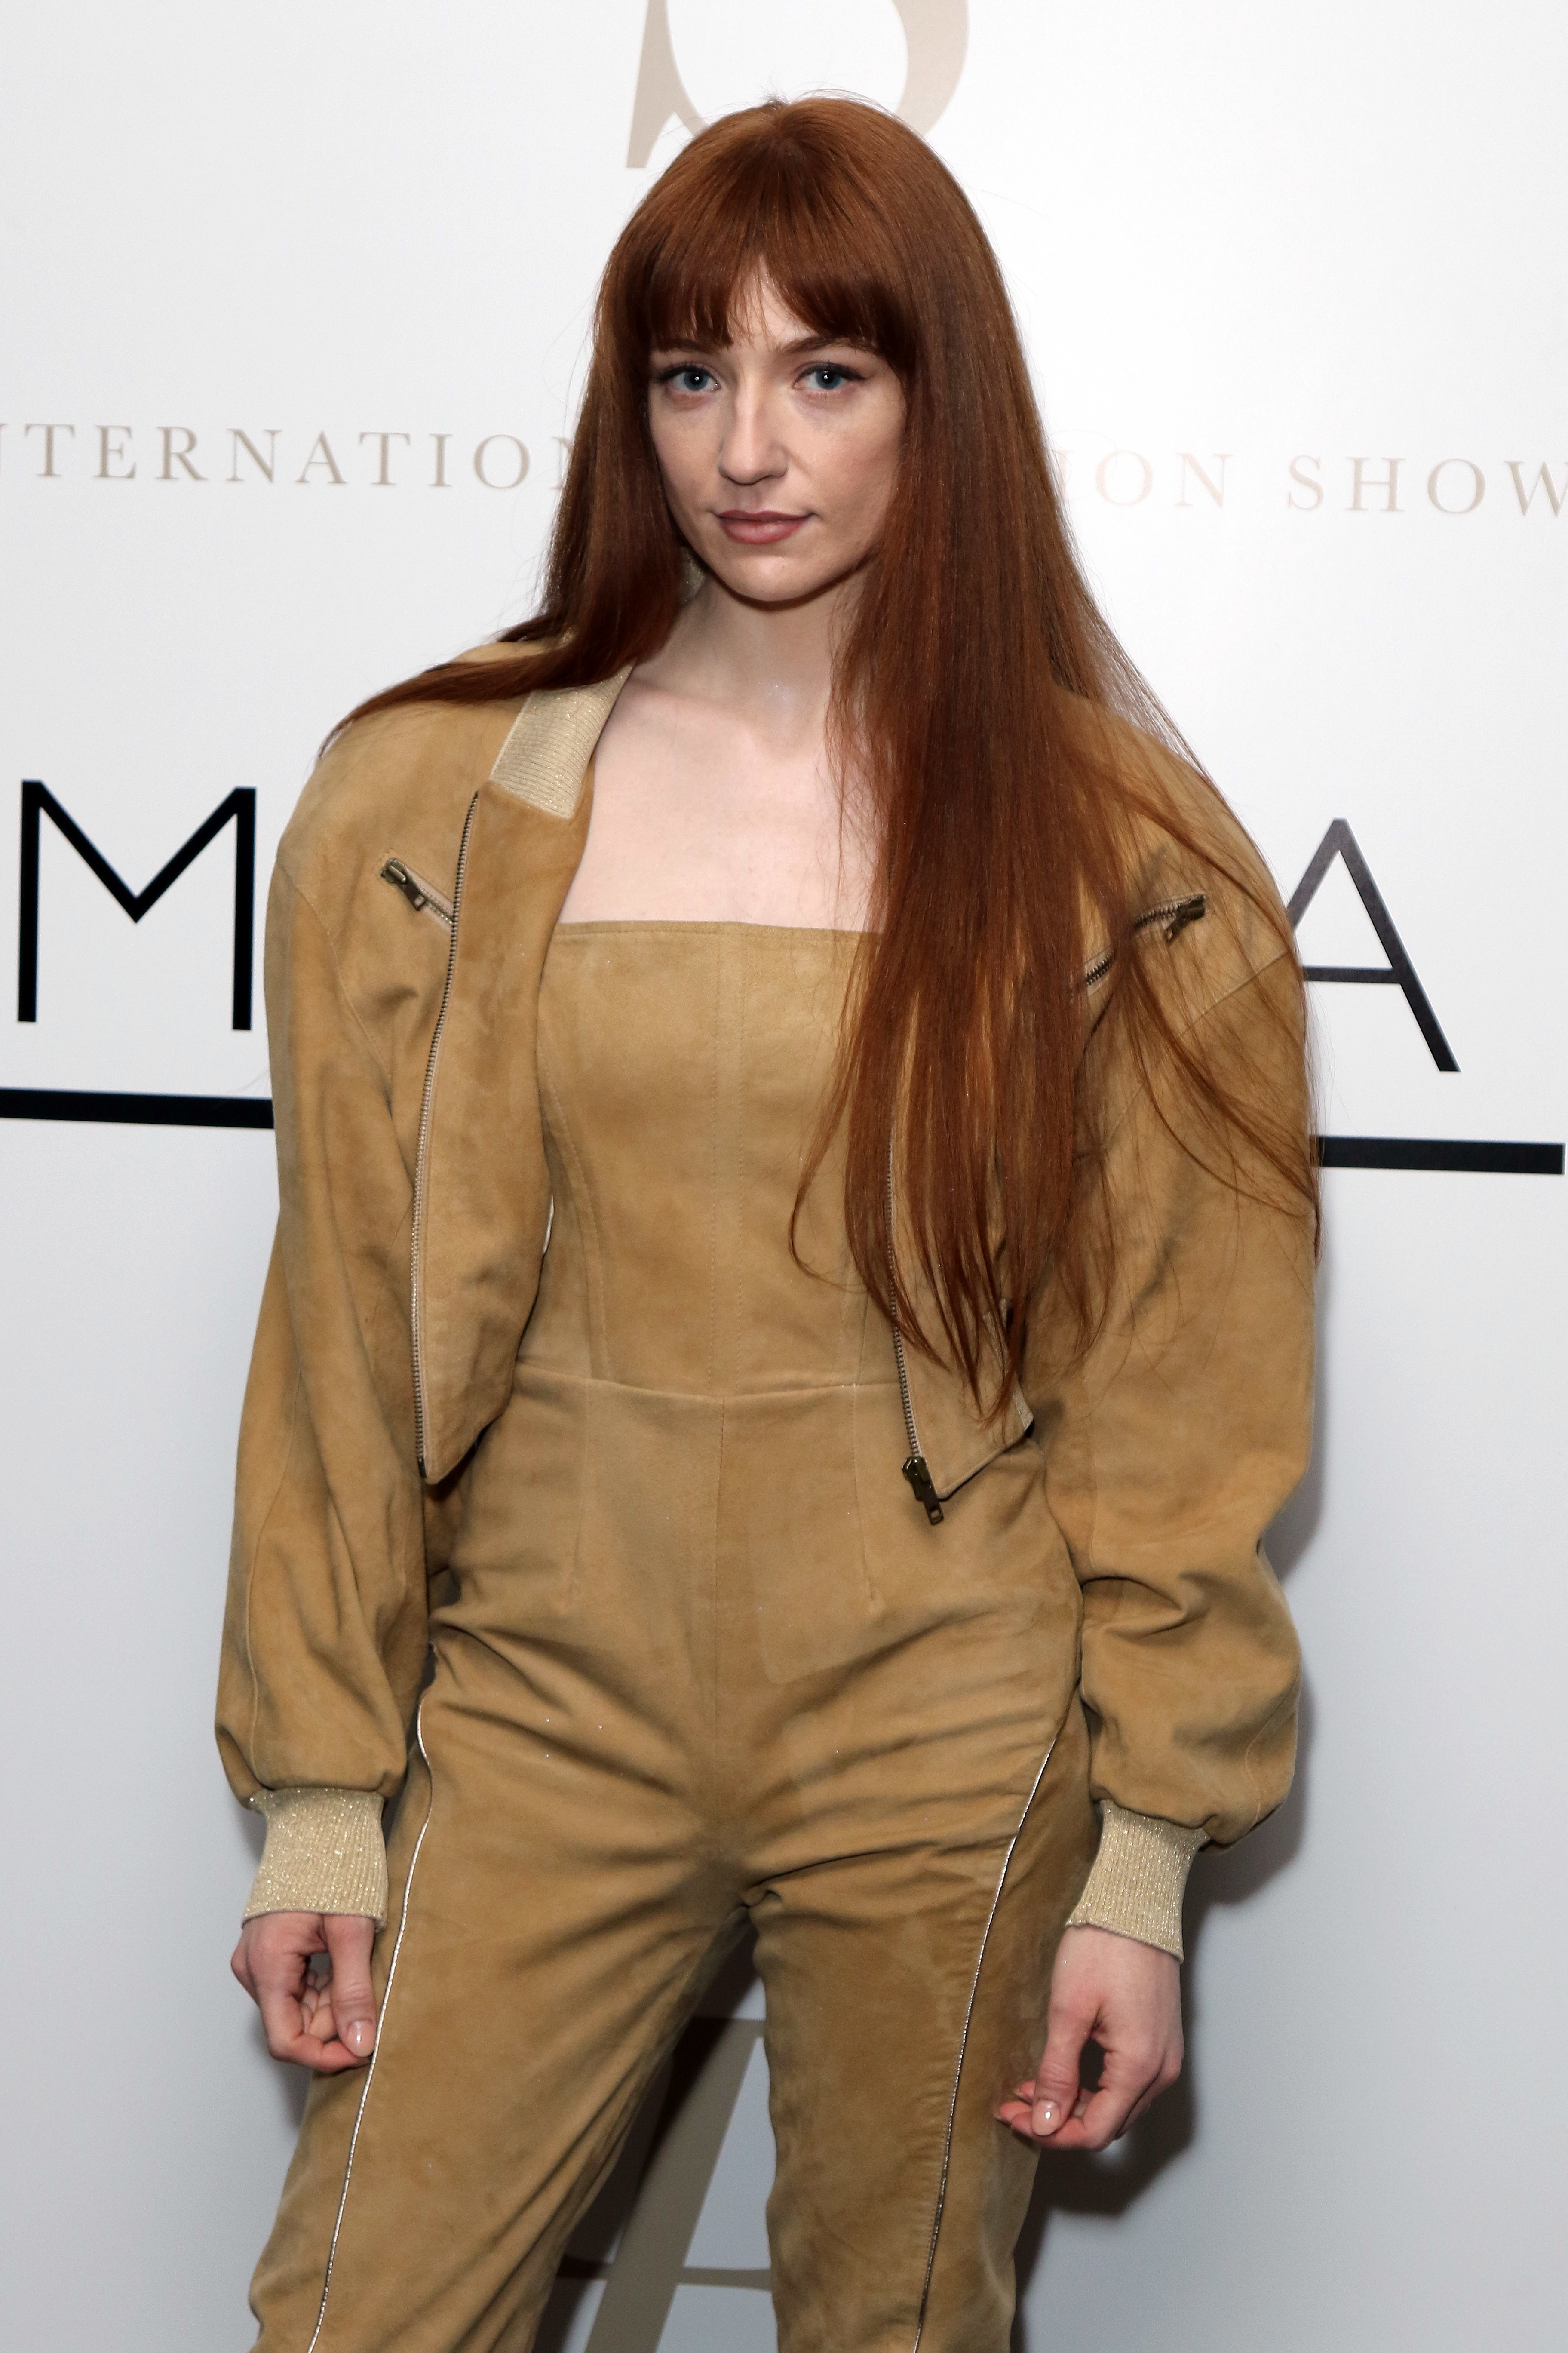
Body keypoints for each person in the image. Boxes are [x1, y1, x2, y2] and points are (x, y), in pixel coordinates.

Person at [219, 97, 1315, 2353]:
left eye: (828, 372)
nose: (749, 445)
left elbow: (1187, 1392)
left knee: (898, 2327)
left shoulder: (1123, 847)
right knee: (356, 2316)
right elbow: (334, 1330)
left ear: (939, 399)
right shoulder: (421, 801)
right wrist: (324, 1801)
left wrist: (1144, 1869)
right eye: (691, 372)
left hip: (947, 1719)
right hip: (542, 1691)